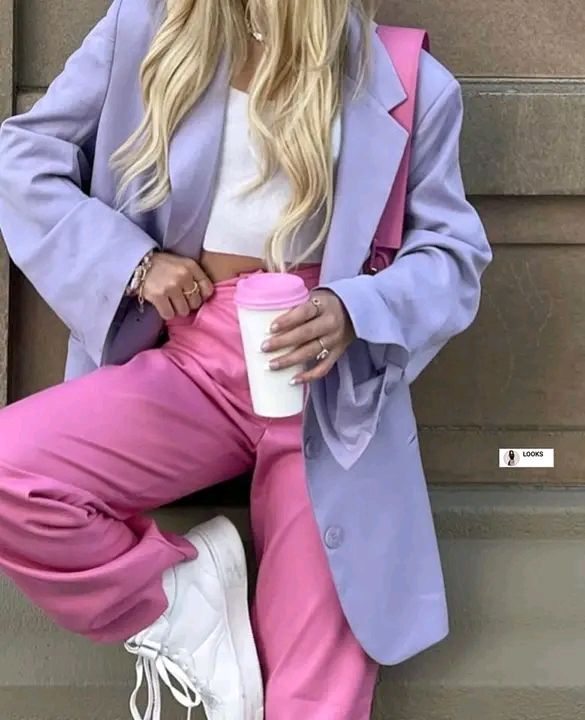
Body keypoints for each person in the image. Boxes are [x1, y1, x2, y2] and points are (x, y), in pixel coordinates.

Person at [0, 0, 493, 718]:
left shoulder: (410, 81)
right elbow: (23, 160)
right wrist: (133, 264)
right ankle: (184, 600)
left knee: (317, 689)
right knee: (14, 470)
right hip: (193, 359)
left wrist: (355, 309)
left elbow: (452, 257)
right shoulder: (144, 31)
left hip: (329, 389)